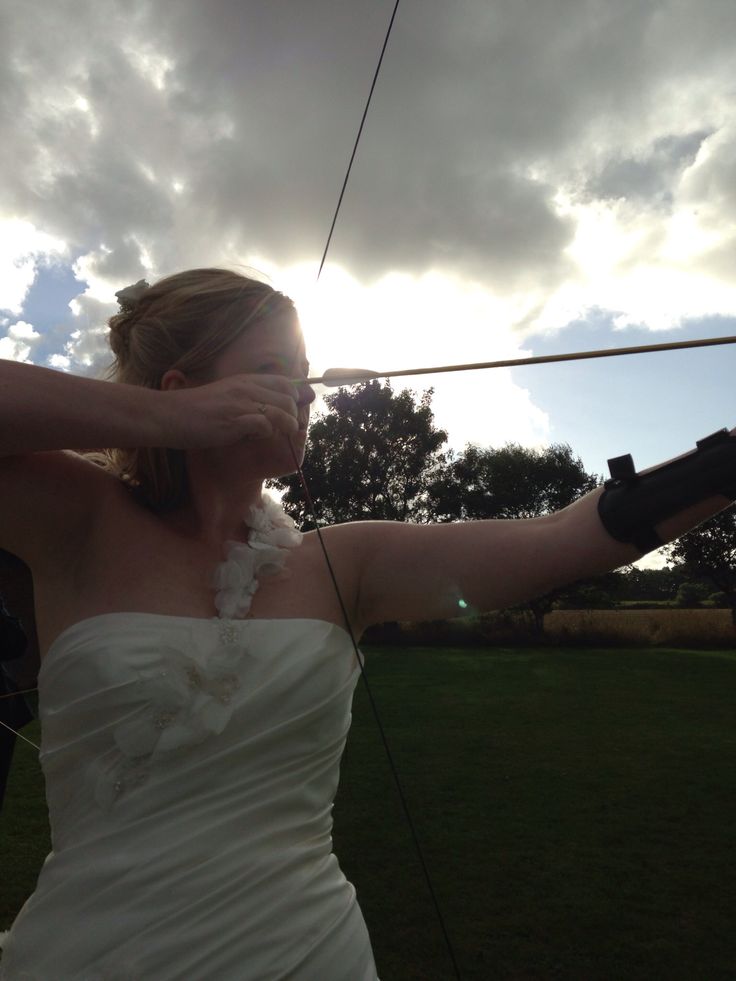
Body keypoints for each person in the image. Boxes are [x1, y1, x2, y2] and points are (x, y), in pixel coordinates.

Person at [0, 267, 732, 979]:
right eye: (273, 366)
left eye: (306, 368)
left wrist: (724, 467)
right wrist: (166, 422)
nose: (307, 390)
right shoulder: (78, 518)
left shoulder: (344, 563)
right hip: (89, 950)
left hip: (307, 949)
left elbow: (566, 538)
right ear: (183, 387)